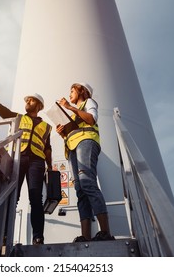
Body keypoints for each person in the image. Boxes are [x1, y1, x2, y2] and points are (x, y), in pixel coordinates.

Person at [0, 75, 52, 245]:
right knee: (12, 197)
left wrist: (51, 167)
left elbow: (47, 148)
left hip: (37, 162)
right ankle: (4, 236)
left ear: (38, 105)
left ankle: (38, 237)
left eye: (31, 100)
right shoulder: (18, 117)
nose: (27, 102)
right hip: (18, 158)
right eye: (27, 100)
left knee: (35, 198)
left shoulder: (46, 127)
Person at [56, 82, 114, 242]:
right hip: (73, 147)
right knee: (80, 190)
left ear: (82, 91)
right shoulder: (74, 114)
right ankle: (86, 236)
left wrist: (70, 107)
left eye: (72, 90)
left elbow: (92, 119)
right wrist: (63, 133)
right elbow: (74, 131)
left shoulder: (89, 103)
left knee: (88, 183)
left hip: (86, 143)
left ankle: (106, 232)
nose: (69, 94)